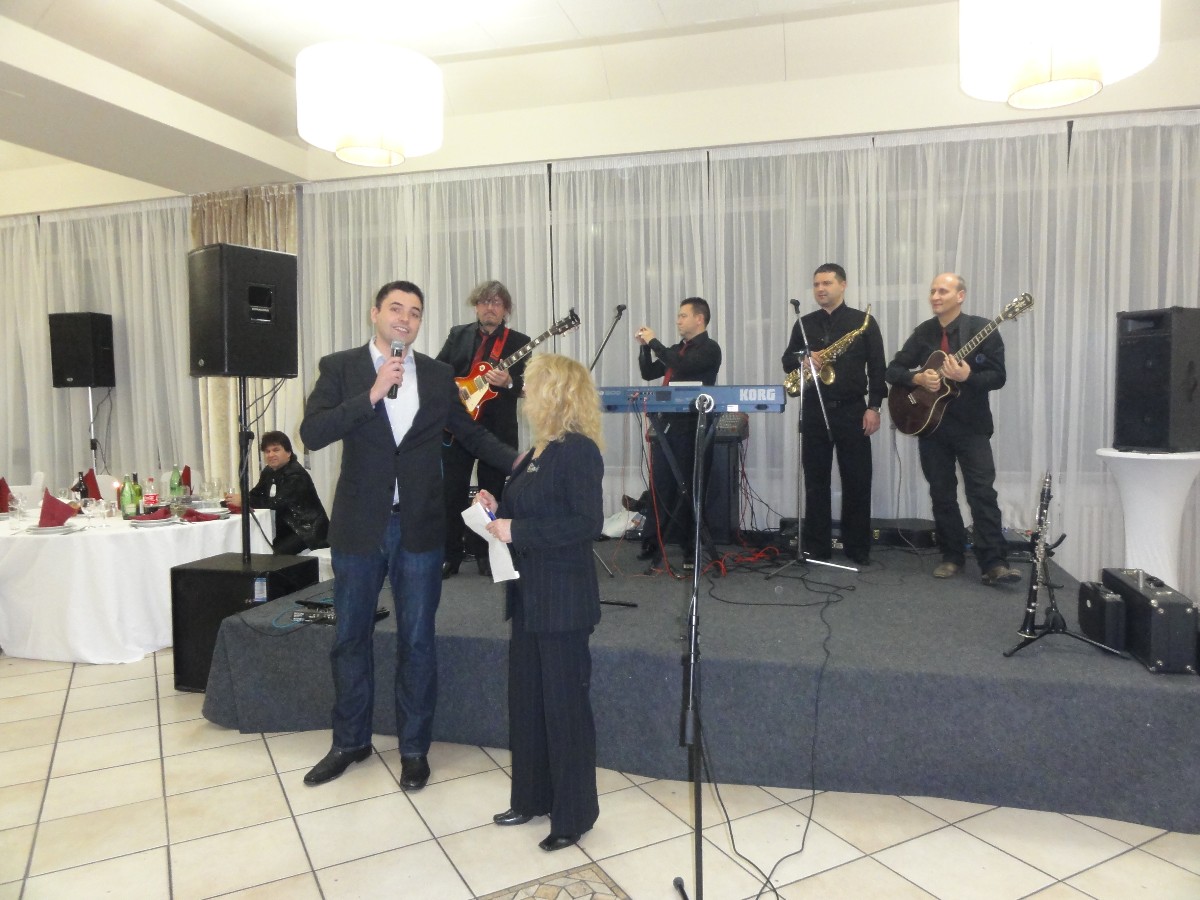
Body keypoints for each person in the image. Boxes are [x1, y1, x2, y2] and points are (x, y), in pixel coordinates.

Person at [299, 280, 519, 790]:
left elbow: (470, 433)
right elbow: (313, 433)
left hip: (419, 525)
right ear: (375, 313)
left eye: (415, 312)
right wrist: (372, 394)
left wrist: (520, 460)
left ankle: (415, 749)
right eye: (396, 308)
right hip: (359, 525)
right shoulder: (340, 368)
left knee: (417, 641)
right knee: (350, 637)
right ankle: (349, 741)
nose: (405, 318)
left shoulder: (438, 375)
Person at [476, 353, 604, 853]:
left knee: (565, 709)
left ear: (556, 393)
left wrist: (519, 530)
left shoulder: (579, 451)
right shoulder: (537, 451)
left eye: (531, 385)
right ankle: (530, 798)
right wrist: (495, 509)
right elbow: (521, 511)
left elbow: (585, 523)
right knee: (528, 704)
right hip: (529, 598)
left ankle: (573, 815)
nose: (524, 393)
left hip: (564, 601)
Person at [884, 273, 1021, 585]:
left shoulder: (983, 329)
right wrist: (917, 378)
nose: (935, 296)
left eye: (943, 291)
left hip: (972, 427)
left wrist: (967, 376)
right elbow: (893, 370)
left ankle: (994, 563)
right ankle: (951, 555)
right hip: (931, 426)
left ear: (960, 296)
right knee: (942, 493)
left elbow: (998, 377)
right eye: (933, 291)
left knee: (982, 493)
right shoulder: (924, 332)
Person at [780, 264, 886, 565]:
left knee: (857, 480)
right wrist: (803, 360)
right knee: (815, 482)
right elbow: (787, 360)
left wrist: (874, 407)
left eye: (826, 283)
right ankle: (817, 546)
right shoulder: (804, 324)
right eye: (816, 284)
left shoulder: (863, 322)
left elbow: (878, 367)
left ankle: (857, 547)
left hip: (852, 409)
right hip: (814, 409)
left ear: (843, 285)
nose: (820, 289)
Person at [435, 280, 530, 579]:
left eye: (497, 303)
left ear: (505, 310)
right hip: (457, 427)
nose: (490, 307)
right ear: (476, 306)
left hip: (497, 432)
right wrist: (455, 390)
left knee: (491, 493)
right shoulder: (458, 334)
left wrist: (509, 382)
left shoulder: (520, 341)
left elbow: (527, 387)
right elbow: (438, 371)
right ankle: (450, 554)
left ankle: (485, 554)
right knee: (451, 492)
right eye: (485, 302)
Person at [635, 297, 722, 574]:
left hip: (694, 425)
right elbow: (649, 372)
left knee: (691, 486)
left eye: (683, 315)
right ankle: (653, 541)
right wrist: (645, 348)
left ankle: (690, 547)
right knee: (661, 483)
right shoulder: (676, 349)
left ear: (699, 319)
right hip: (668, 425)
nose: (678, 320)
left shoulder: (709, 349)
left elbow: (682, 366)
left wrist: (654, 342)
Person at [225, 431, 329, 555]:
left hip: (307, 530)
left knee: (271, 557)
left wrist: (244, 501)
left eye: (276, 450)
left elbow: (277, 502)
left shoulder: (296, 474)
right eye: (267, 451)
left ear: (289, 452)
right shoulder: (269, 471)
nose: (271, 455)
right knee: (254, 547)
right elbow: (257, 494)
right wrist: (232, 500)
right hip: (287, 528)